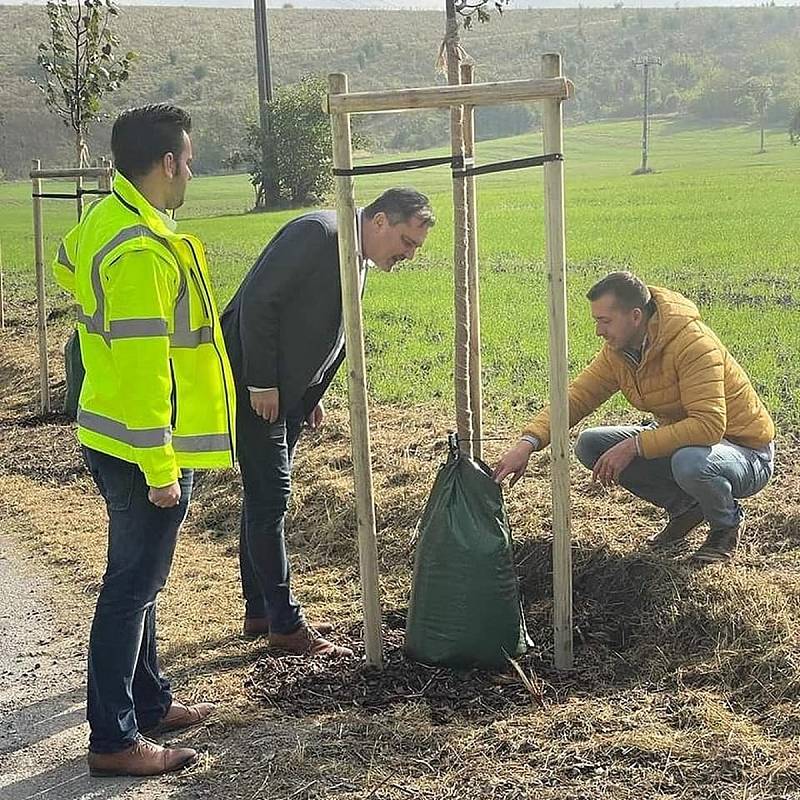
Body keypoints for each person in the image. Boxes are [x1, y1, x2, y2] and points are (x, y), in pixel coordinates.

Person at [53, 104, 237, 777]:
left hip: (113, 431)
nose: (191, 169)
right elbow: (142, 369)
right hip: (143, 446)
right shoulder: (138, 252)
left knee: (142, 581)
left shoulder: (112, 220)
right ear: (166, 164)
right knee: (131, 586)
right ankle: (114, 739)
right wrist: (162, 467)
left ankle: (149, 700)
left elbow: (66, 261)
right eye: (188, 159)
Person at [222, 187, 435, 656]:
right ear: (379, 221)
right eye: (406, 241)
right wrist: (261, 384)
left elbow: (336, 331)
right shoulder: (319, 234)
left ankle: (259, 611)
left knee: (263, 497)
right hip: (254, 389)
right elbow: (258, 302)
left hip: (287, 397)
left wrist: (310, 394)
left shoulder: (357, 256)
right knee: (271, 497)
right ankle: (284, 624)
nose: (408, 254)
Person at [493, 271, 775, 563]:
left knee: (689, 463)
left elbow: (709, 426)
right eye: (596, 321)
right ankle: (686, 508)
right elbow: (576, 398)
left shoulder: (692, 344)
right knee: (590, 445)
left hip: (745, 452)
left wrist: (633, 446)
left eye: (605, 321)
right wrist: (527, 443)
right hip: (686, 441)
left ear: (636, 316)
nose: (598, 331)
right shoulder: (618, 352)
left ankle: (725, 527)